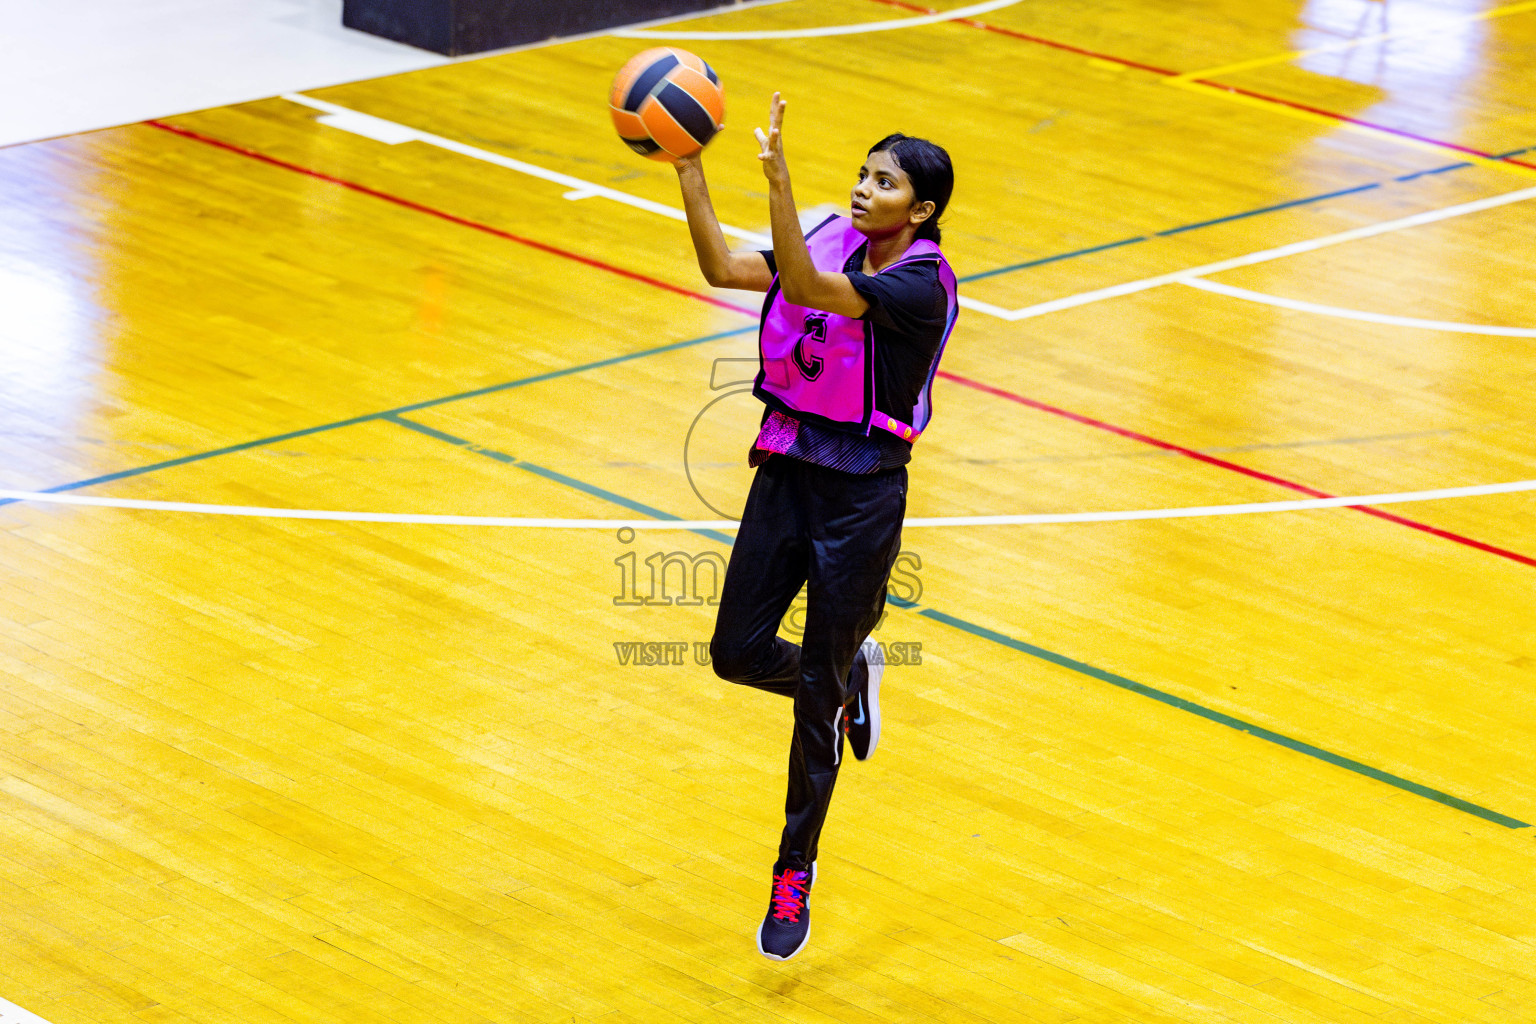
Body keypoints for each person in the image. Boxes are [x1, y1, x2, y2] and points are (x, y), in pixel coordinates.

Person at [673, 93, 957, 962]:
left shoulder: (918, 283)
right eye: (864, 176)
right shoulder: (833, 235)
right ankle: (843, 679)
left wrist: (779, 181)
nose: (866, 192)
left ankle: (793, 873)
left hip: (862, 497)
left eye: (887, 183)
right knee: (734, 651)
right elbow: (724, 267)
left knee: (810, 711)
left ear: (925, 209)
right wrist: (686, 164)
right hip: (789, 469)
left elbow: (804, 288)